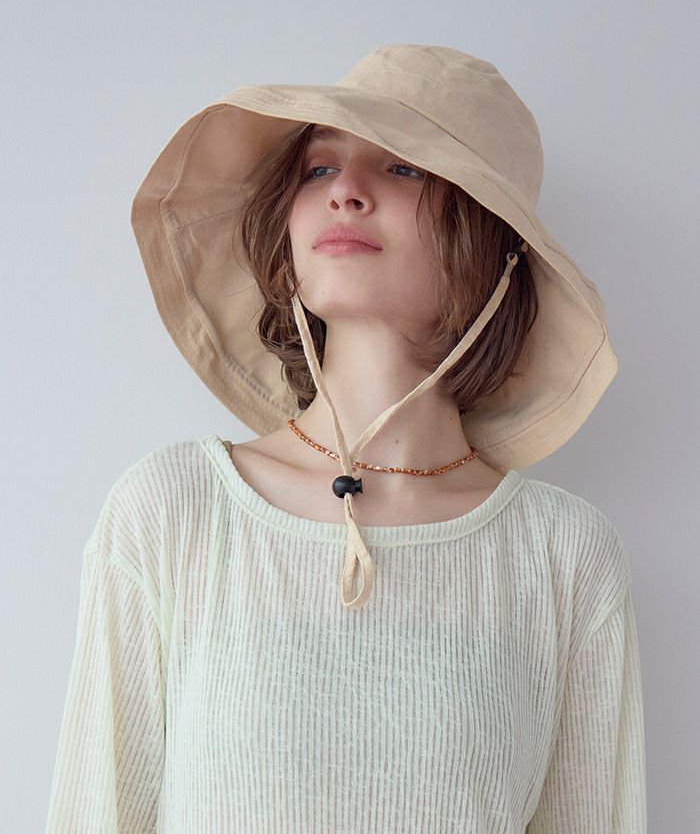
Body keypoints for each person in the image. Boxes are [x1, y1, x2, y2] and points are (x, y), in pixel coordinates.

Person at [45, 44, 647, 833]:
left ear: (493, 240)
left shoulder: (564, 558)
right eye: (318, 168)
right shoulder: (172, 514)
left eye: (403, 168)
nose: (345, 192)